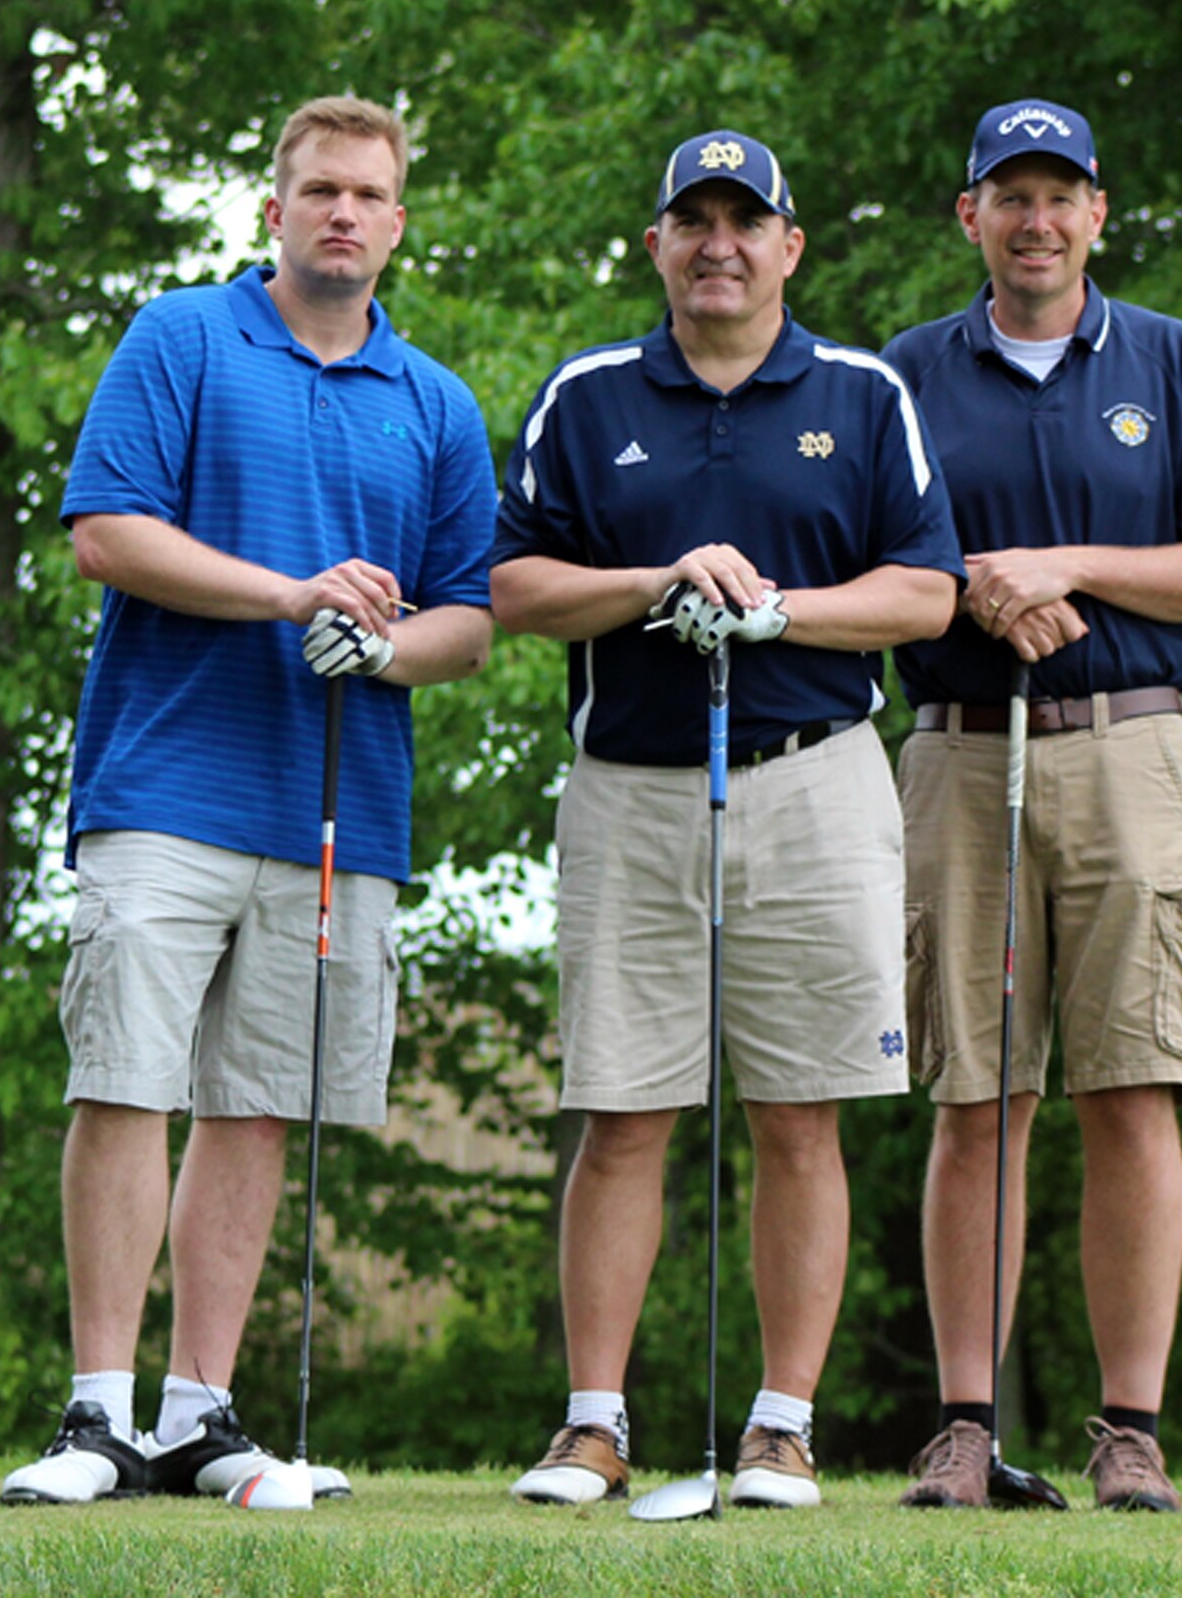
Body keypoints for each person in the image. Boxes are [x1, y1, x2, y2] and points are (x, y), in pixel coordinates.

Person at [0, 95, 495, 1506]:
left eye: (370, 195)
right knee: (125, 1083)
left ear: (400, 223)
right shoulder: (184, 339)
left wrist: (386, 646)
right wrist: (293, 595)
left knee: (261, 1106)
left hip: (338, 809)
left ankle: (198, 1418)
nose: (343, 213)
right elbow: (107, 533)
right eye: (320, 189)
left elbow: (469, 624)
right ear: (271, 206)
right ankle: (98, 1412)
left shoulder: (438, 401)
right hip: (165, 783)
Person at [491, 129, 963, 1511]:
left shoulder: (867, 395)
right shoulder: (586, 397)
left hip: (816, 775)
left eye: (745, 222)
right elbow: (516, 590)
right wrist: (658, 581)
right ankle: (592, 1424)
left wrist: (780, 611)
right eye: (691, 221)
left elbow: (925, 595)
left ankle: (779, 1427)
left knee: (799, 1114)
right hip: (632, 784)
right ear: (656, 245)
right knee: (621, 1113)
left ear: (789, 245)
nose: (719, 244)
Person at [883, 98, 1182, 1512]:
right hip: (954, 748)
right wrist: (978, 585)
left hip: (1126, 748)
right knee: (977, 1096)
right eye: (1012, 195)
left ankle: (1131, 1433)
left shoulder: (1169, 360)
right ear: (971, 216)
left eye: (1063, 195)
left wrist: (1067, 564)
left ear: (1098, 214)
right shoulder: (907, 372)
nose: (1037, 219)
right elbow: (874, 566)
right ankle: (965, 1428)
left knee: (1132, 1088)